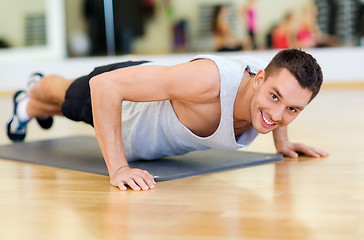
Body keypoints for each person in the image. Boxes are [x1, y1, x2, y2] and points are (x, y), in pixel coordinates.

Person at [7, 49, 328, 191]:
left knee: (61, 107)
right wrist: (118, 168)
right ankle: (35, 86)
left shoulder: (274, 82)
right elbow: (104, 87)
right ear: (259, 79)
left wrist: (283, 143)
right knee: (68, 96)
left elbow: (283, 100)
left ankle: (28, 107)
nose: (276, 115)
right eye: (274, 98)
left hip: (146, 119)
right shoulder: (209, 81)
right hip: (126, 107)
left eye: (293, 110)